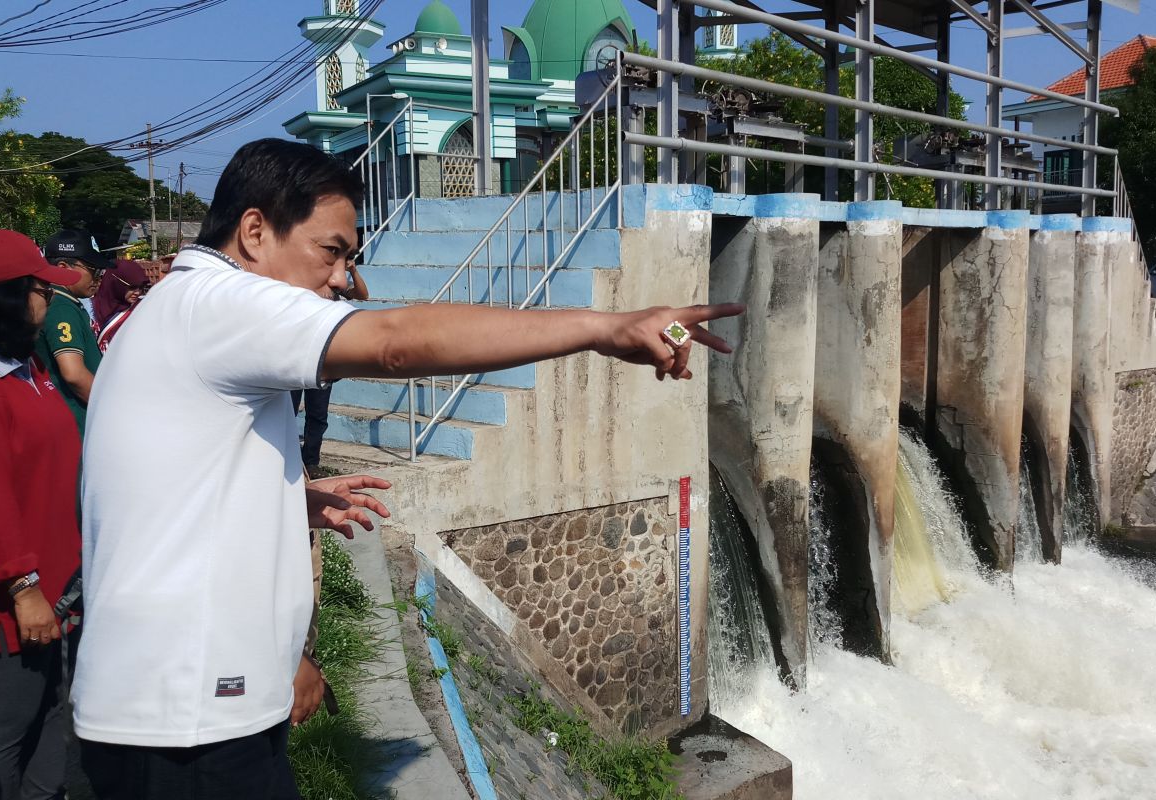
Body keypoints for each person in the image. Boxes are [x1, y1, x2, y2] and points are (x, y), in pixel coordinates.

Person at [72, 138, 742, 800]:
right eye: (331, 251)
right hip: (184, 726)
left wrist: (280, 499)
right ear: (254, 230)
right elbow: (393, 343)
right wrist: (609, 328)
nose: (340, 278)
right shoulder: (218, 305)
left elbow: (167, 486)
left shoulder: (182, 312)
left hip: (176, 716)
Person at [0, 228, 85, 800]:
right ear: (6, 295)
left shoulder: (28, 368)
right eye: (39, 288)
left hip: (66, 579)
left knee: (59, 715)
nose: (49, 299)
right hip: (20, 596)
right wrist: (24, 585)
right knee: (7, 728)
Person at [291, 257, 370, 476]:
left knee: (317, 415)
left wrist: (353, 270)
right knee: (288, 410)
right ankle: (286, 458)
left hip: (322, 363)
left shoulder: (334, 288)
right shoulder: (303, 285)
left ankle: (311, 462)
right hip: (296, 359)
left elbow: (363, 294)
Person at [35, 229, 117, 436]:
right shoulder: (62, 306)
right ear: (63, 268)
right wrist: (111, 409)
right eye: (93, 269)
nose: (98, 277)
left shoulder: (65, 302)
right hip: (74, 422)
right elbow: (73, 373)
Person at [92, 258, 150, 351]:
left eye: (142, 287)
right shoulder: (87, 309)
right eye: (132, 287)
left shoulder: (141, 311)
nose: (138, 292)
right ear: (115, 283)